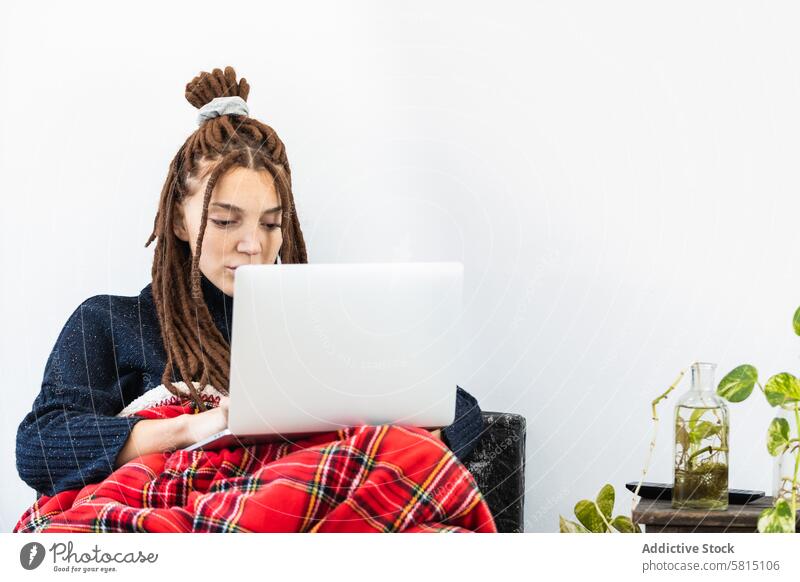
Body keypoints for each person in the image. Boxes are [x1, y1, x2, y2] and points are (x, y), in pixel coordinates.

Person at [15, 66, 485, 498]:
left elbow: (458, 409)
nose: (252, 245)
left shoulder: (311, 325)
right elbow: (40, 448)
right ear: (179, 220)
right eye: (224, 222)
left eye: (270, 223)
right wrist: (198, 427)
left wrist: (400, 443)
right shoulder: (108, 323)